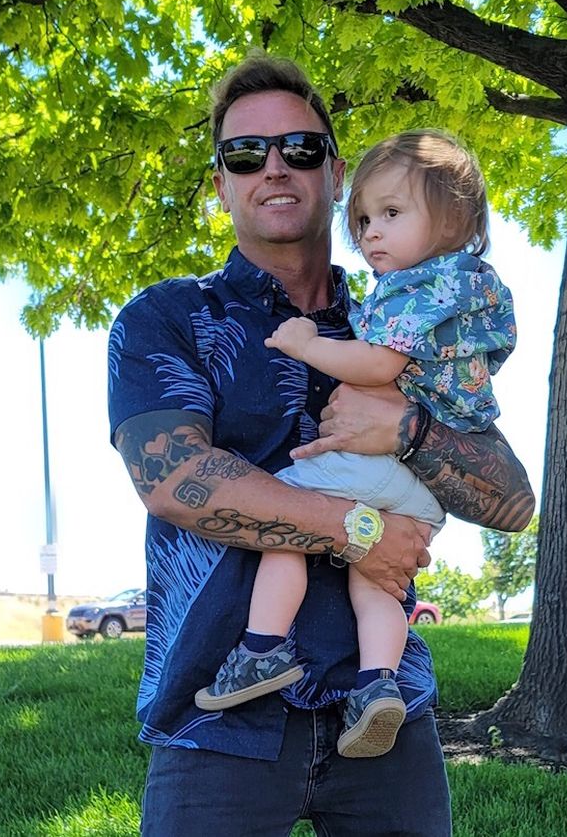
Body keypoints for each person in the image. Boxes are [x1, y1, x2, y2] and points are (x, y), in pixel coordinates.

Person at [107, 53, 534, 837]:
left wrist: (407, 430)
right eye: (246, 153)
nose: (275, 166)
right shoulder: (167, 319)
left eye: (300, 148)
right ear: (221, 184)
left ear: (336, 175)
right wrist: (359, 530)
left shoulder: (402, 318)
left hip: (384, 716)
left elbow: (512, 500)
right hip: (216, 721)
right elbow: (175, 478)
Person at [194, 130, 516, 764]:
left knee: (280, 518)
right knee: (376, 588)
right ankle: (378, 685)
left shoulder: (415, 290)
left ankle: (262, 650)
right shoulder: (473, 292)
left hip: (377, 466)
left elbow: (378, 364)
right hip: (424, 493)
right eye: (365, 220)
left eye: (392, 213)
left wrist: (307, 344)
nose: (372, 233)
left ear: (453, 220)